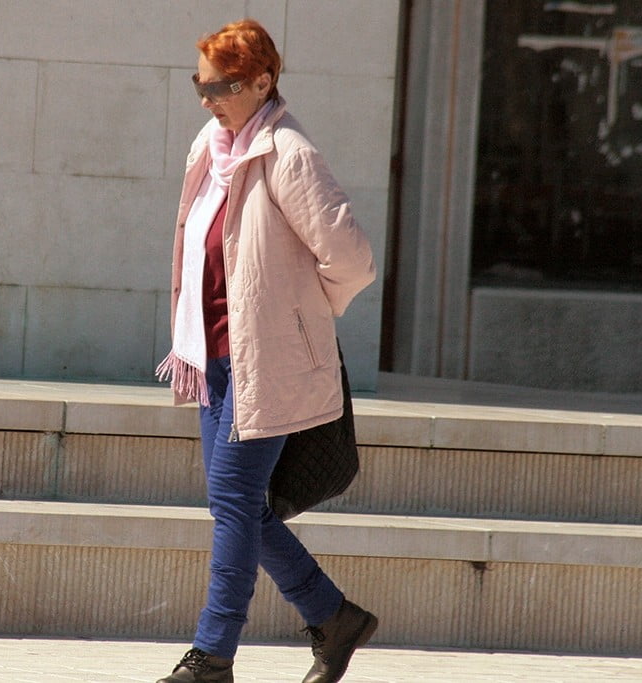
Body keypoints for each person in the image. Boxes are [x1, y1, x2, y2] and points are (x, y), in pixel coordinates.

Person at [154, 18, 378, 683]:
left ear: (262, 82)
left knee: (232, 500)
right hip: (212, 357)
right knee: (240, 505)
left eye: (221, 86)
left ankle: (213, 654)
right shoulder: (211, 146)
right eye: (200, 84)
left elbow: (352, 260)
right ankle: (333, 617)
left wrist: (302, 316)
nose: (208, 99)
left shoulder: (287, 154)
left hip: (268, 361)